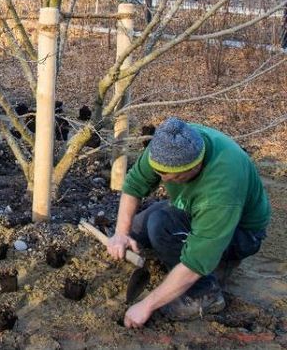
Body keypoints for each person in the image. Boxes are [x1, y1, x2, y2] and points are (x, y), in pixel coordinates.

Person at [107, 117, 270, 328]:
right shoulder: (167, 146)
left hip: (242, 233)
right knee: (137, 228)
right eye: (159, 173)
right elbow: (134, 185)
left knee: (160, 226)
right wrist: (121, 233)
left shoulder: (220, 190)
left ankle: (205, 293)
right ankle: (177, 261)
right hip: (196, 209)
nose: (163, 179)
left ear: (195, 167)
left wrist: (146, 305)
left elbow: (195, 264)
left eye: (173, 177)